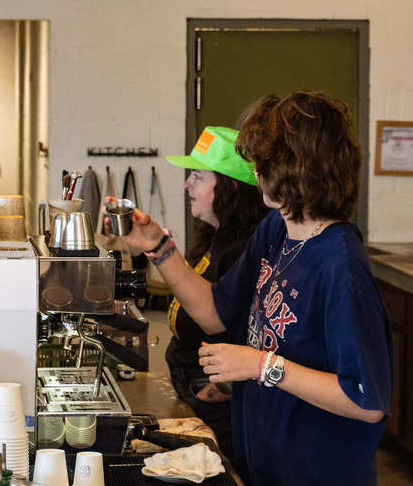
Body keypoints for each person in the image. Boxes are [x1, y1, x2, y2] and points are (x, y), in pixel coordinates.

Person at [113, 90, 393, 486]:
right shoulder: (277, 228)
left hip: (317, 471)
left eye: (262, 160)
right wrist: (158, 247)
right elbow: (214, 312)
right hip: (265, 461)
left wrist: (261, 365)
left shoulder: (341, 267)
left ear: (293, 168)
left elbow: (366, 402)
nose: (256, 170)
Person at [163, 126, 268, 461]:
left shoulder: (242, 249)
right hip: (191, 386)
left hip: (215, 404)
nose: (186, 185)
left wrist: (210, 395)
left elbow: (242, 336)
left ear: (229, 187)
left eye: (197, 177)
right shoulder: (216, 237)